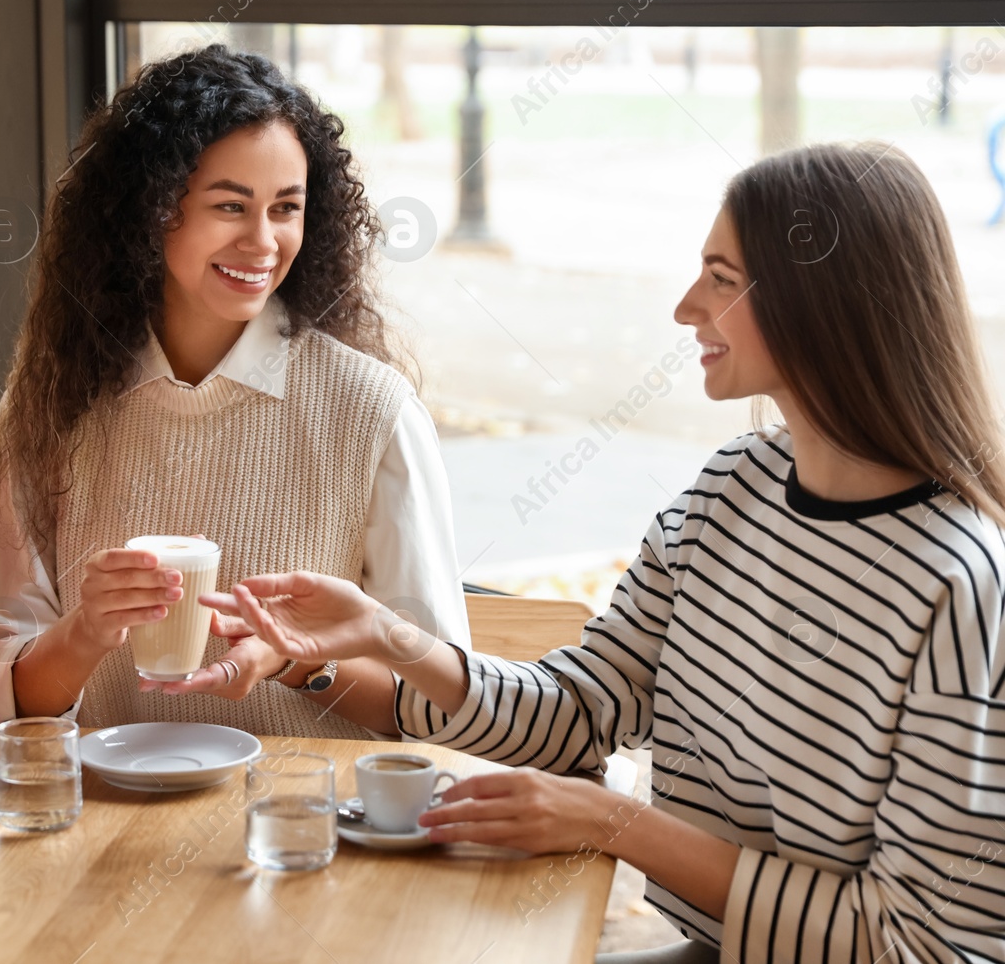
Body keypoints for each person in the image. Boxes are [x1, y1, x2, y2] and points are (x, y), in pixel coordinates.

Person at [205, 143, 1005, 962]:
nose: (687, 307)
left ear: (820, 301)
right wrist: (383, 634)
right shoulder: (731, 490)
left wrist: (613, 822)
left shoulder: (955, 580)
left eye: (723, 279)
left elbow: (917, 943)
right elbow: (582, 709)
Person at [0, 44, 471, 739]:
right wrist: (84, 633)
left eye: (287, 208)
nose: (263, 241)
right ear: (153, 209)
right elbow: (4, 692)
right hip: (101, 826)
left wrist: (298, 663)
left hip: (307, 830)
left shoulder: (374, 413)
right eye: (230, 205)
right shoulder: (52, 404)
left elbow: (439, 702)